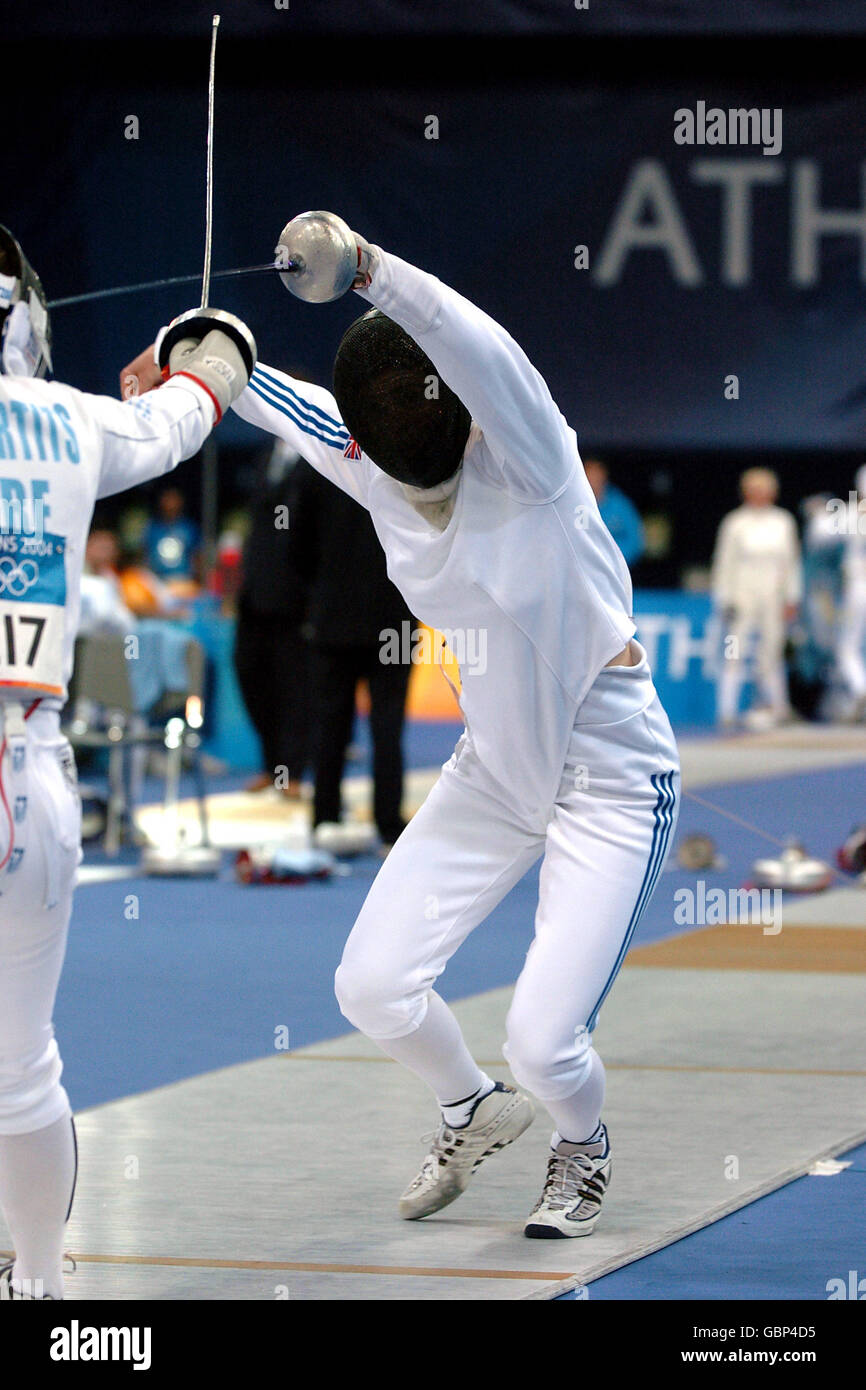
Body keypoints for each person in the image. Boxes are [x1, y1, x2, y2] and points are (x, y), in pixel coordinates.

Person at [123, 215, 680, 1240]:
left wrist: (367, 266)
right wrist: (180, 353)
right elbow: (264, 389)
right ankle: (472, 1107)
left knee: (547, 1039)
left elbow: (476, 343)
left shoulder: (533, 459)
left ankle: (582, 1146)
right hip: (494, 773)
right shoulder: (368, 457)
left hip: (609, 773)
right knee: (369, 985)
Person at [0, 224, 253, 1299]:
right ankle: (43, 1285)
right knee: (18, 1071)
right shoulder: (68, 421)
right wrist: (212, 342)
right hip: (30, 774)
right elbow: (187, 410)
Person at [290, 458, 414, 850]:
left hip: (333, 618)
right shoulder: (403, 459)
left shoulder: (319, 461)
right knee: (387, 726)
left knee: (331, 726)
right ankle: (388, 824)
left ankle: (325, 818)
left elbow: (295, 543)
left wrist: (320, 592)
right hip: (393, 618)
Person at [234, 439, 311, 797]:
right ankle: (272, 767)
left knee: (294, 688)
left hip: (295, 599)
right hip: (254, 596)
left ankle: (291, 772)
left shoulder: (315, 459)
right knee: (253, 678)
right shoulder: (266, 457)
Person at [711, 468, 802, 729]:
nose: (760, 495)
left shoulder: (784, 522)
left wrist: (791, 597)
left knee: (772, 651)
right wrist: (724, 598)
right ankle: (726, 710)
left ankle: (779, 707)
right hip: (742, 595)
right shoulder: (734, 523)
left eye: (765, 489)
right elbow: (723, 563)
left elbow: (792, 564)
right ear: (746, 492)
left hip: (773, 596)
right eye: (754, 489)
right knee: (734, 650)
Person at [583, 458, 645, 568]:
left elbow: (635, 542)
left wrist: (610, 558)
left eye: (597, 479)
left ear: (604, 479)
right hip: (584, 570)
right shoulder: (577, 507)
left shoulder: (620, 504)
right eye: (590, 479)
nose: (593, 484)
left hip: (617, 570)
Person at [142, 486, 200, 583]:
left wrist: (197, 579)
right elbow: (145, 555)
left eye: (173, 498)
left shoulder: (189, 527)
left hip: (184, 580)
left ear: (181, 501)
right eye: (167, 498)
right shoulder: (152, 527)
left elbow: (197, 556)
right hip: (157, 581)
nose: (170, 503)